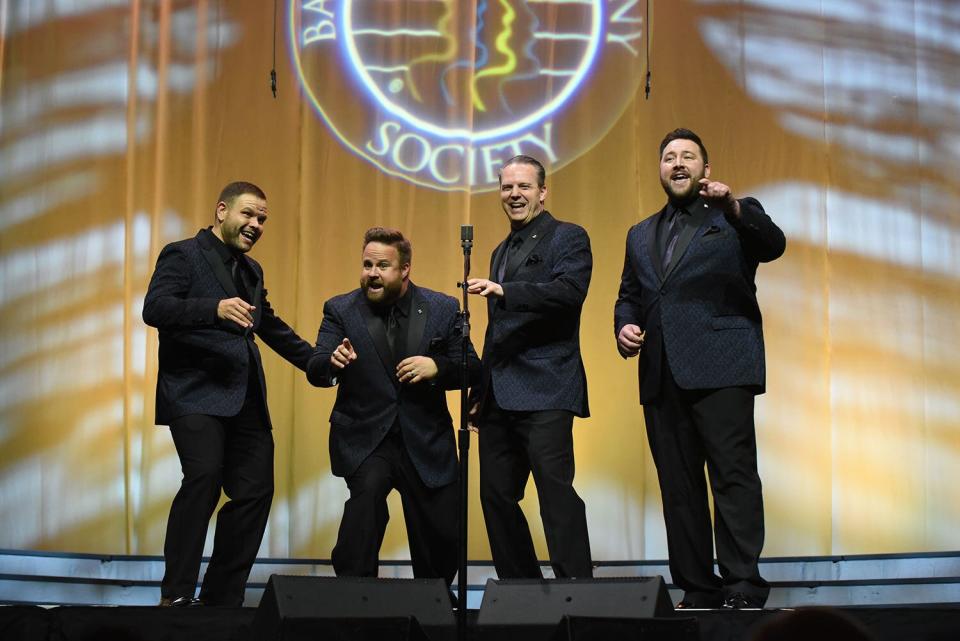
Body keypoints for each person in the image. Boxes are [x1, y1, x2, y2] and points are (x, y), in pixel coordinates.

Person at [614, 128, 785, 609]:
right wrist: (624, 326)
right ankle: (698, 585)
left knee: (732, 477)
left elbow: (773, 244)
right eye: (669, 157)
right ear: (662, 170)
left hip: (723, 365)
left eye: (688, 156)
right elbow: (630, 294)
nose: (678, 162)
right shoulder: (640, 232)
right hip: (662, 371)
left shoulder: (732, 216)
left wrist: (733, 205)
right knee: (679, 484)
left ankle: (743, 584)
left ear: (705, 170)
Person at [143, 181, 314, 607]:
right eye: (248, 214)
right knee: (203, 478)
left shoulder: (252, 271)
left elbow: (269, 326)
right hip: (194, 393)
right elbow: (155, 308)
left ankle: (221, 598)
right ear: (221, 210)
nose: (256, 225)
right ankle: (177, 595)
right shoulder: (182, 254)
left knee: (257, 491)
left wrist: (320, 362)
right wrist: (213, 309)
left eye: (262, 220)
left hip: (245, 398)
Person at [306, 227, 480, 585]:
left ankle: (434, 602)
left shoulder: (442, 307)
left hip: (426, 439)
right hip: (366, 438)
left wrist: (438, 368)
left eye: (382, 265)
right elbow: (316, 366)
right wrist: (332, 363)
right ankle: (354, 595)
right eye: (367, 264)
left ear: (404, 269)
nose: (372, 272)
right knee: (365, 505)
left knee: (441, 536)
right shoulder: (341, 309)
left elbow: (473, 367)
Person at [466, 155, 593, 579]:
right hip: (500, 392)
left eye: (523, 187)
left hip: (548, 385)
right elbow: (496, 330)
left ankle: (577, 588)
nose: (514, 195)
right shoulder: (499, 250)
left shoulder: (568, 236)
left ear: (543, 192)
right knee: (496, 495)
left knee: (555, 493)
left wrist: (505, 289)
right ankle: (521, 589)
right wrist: (479, 390)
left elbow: (569, 293)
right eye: (507, 187)